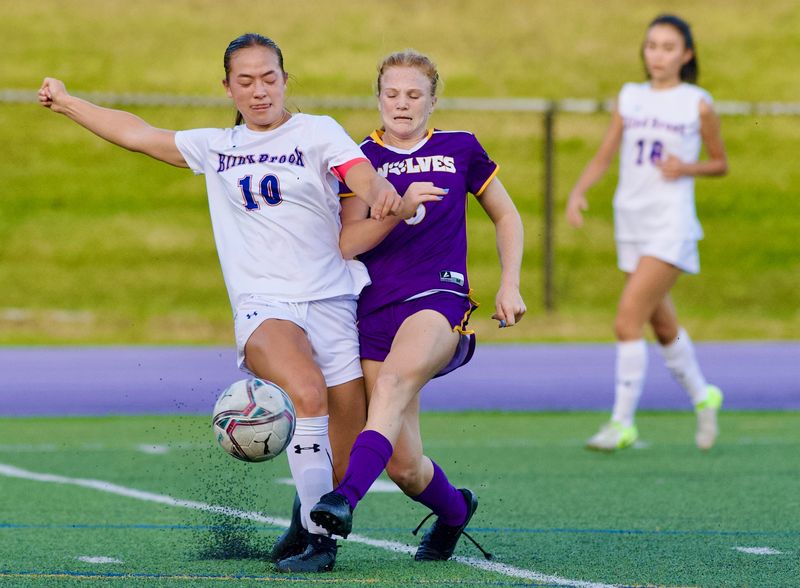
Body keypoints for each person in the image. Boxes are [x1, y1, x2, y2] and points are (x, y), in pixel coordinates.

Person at [38, 33, 431, 573]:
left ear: (285, 80)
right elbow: (138, 134)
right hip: (265, 304)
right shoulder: (217, 147)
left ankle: (304, 511)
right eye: (245, 81)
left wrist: (379, 191)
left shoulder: (318, 132)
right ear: (227, 87)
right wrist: (67, 103)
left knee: (341, 461)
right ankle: (321, 542)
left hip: (334, 300)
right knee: (306, 393)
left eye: (269, 77)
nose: (259, 90)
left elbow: (357, 173)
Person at [307, 49, 526, 562]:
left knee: (390, 385)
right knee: (404, 467)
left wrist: (509, 284)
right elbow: (348, 242)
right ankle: (455, 512)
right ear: (378, 97)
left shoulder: (461, 148)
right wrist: (398, 210)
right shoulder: (359, 158)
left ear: (432, 101)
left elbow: (507, 216)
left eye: (413, 95)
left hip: (439, 298)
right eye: (391, 94)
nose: (401, 104)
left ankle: (342, 501)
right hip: (375, 308)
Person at [565, 15, 728, 452]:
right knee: (661, 323)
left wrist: (686, 167)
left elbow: (720, 162)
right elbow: (605, 154)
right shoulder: (631, 96)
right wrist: (579, 191)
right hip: (631, 220)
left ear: (686, 54)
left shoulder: (698, 102)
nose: (658, 54)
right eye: (652, 45)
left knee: (626, 320)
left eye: (668, 47)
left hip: (669, 223)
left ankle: (621, 423)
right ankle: (703, 395)